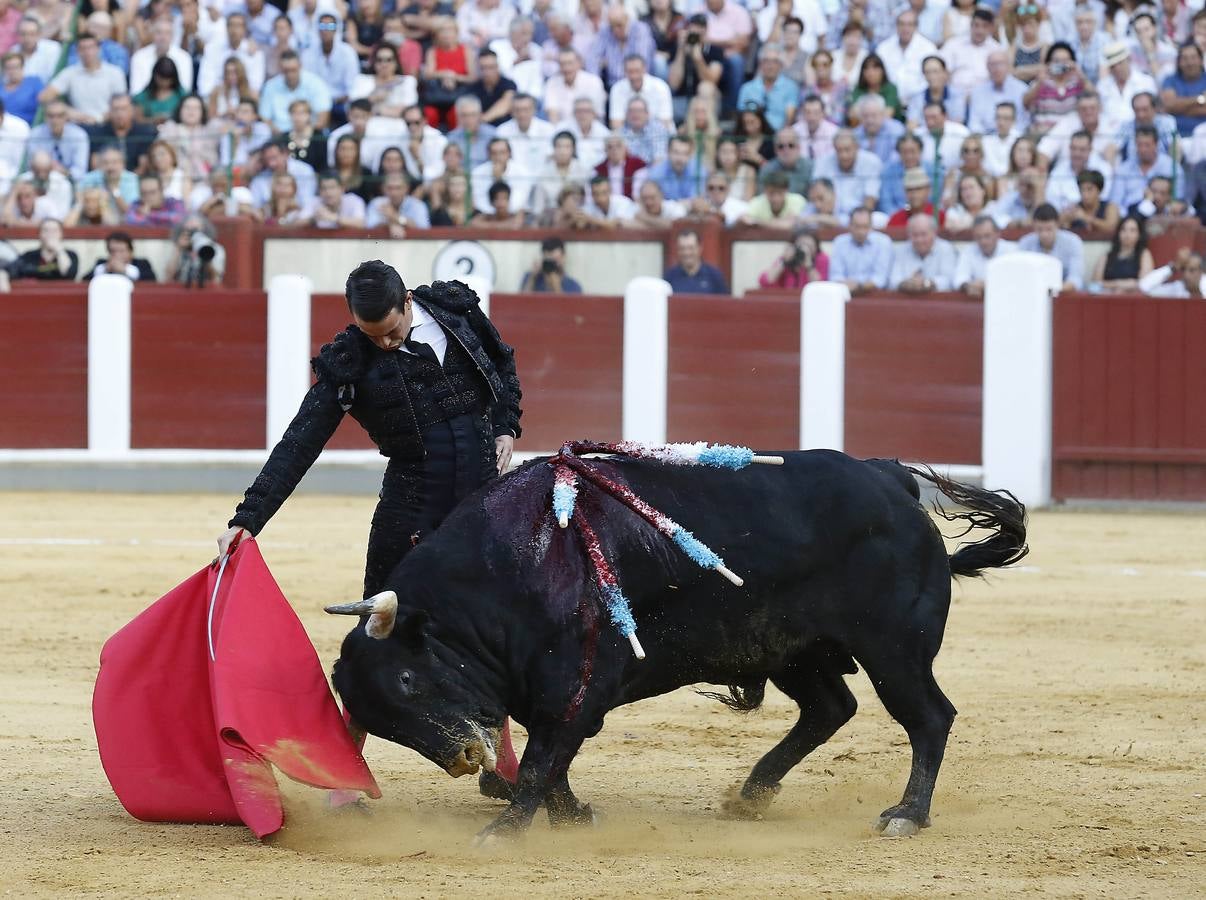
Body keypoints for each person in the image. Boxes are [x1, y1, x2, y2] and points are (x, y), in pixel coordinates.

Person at [216, 260, 524, 800]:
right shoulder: (350, 362)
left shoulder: (455, 312)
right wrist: (248, 519)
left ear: (408, 301)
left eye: (392, 332)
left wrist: (506, 426)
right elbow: (299, 443)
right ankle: (344, 778)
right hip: (411, 508)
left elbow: (502, 368)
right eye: (371, 335)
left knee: (485, 631)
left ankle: (503, 764)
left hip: (480, 506)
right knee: (377, 636)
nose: (384, 345)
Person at [37, 33, 125, 125]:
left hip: (108, 125)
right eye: (83, 48)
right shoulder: (70, 73)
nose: (87, 52)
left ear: (98, 49)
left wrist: (99, 119)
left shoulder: (115, 73)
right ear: (77, 51)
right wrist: (68, 111)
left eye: (90, 47)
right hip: (78, 126)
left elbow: (122, 103)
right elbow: (44, 96)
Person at [812, 128, 881, 221]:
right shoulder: (822, 162)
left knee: (880, 219)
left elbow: (870, 198)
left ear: (857, 147)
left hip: (859, 217)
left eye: (847, 150)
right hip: (829, 215)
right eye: (839, 150)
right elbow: (817, 194)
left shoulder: (871, 162)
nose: (843, 155)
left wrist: (858, 220)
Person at [259, 49, 333, 132]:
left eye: (293, 70)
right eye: (286, 71)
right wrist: (281, 136)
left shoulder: (316, 84)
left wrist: (303, 135)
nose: (290, 75)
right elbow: (264, 118)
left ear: (300, 66)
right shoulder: (270, 86)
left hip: (309, 136)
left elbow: (323, 119)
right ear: (280, 68)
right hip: (279, 136)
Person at [1018, 203, 1085, 292]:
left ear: (1057, 225)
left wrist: (1051, 290)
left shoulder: (1073, 242)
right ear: (1033, 225)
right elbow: (1020, 275)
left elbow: (1075, 279)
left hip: (1064, 294)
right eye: (1040, 229)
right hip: (1032, 293)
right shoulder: (1025, 243)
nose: (1044, 234)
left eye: (1049, 229)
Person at [829, 205, 892, 293]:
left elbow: (880, 279)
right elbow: (835, 276)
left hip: (874, 296)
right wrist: (848, 285)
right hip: (843, 293)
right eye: (857, 227)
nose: (861, 232)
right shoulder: (839, 242)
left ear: (871, 226)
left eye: (865, 227)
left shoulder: (883, 242)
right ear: (849, 225)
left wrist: (859, 286)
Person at [889, 213, 957, 292]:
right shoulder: (901, 250)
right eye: (915, 235)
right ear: (909, 235)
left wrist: (926, 283)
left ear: (934, 233)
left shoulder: (946, 248)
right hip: (907, 300)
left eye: (923, 234)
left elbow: (948, 281)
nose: (919, 240)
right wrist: (907, 284)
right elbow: (893, 281)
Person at [953, 215, 1016, 296]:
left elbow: (1014, 280)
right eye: (978, 237)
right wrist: (968, 286)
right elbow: (959, 278)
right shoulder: (968, 251)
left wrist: (989, 285)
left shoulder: (1011, 251)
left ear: (998, 234)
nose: (983, 241)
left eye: (987, 236)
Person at [26, 100, 88, 181]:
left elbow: (80, 172)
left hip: (69, 181)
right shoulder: (35, 134)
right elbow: (30, 166)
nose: (55, 120)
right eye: (51, 116)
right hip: (41, 178)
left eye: (60, 116)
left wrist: (62, 171)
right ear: (45, 117)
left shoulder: (79, 135)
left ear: (66, 117)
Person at [1091, 214, 1154, 292]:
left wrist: (1111, 284)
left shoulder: (1144, 254)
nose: (1127, 235)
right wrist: (1120, 284)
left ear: (1139, 234)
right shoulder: (1107, 256)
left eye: (1132, 230)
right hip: (1107, 297)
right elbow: (1095, 284)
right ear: (1118, 233)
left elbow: (1144, 283)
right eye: (1123, 230)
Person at [3, 217, 77, 284]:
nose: (50, 234)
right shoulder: (29, 256)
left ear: (61, 234)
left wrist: (59, 250)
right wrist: (2, 275)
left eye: (54, 231)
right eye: (46, 230)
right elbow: (10, 270)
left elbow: (69, 274)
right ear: (40, 234)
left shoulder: (71, 255)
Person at [757, 225, 828, 289]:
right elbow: (766, 282)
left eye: (809, 246)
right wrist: (784, 262)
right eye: (801, 245)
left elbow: (820, 287)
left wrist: (809, 266)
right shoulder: (788, 258)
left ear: (816, 247)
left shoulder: (821, 259)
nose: (805, 250)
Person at [164, 215, 225, 286]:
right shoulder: (176, 247)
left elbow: (215, 278)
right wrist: (178, 249)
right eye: (188, 230)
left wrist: (205, 254)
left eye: (195, 229)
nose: (192, 233)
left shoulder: (215, 248)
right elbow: (168, 277)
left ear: (204, 229)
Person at [663, 229, 728, 294]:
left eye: (691, 248)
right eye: (682, 248)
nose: (686, 253)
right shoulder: (670, 276)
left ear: (700, 248)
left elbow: (724, 302)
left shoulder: (714, 276)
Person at [366, 172, 431, 235]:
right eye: (390, 188)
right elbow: (369, 227)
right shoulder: (376, 203)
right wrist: (390, 225)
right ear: (383, 189)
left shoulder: (417, 205)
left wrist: (395, 217)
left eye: (398, 188)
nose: (394, 193)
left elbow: (424, 229)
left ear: (406, 188)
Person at [740, 169, 805, 228]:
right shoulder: (756, 202)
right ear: (764, 190)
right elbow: (745, 219)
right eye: (771, 193)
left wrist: (758, 222)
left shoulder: (797, 200)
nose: (776, 198)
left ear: (786, 190)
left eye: (780, 193)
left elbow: (788, 224)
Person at [85, 230, 157, 281]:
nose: (117, 255)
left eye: (121, 251)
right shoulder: (101, 263)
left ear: (131, 252)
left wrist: (126, 270)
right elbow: (85, 280)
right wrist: (104, 269)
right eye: (113, 251)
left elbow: (151, 280)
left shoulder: (142, 263)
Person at [1138, 246, 1205, 297]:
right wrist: (1173, 267)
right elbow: (1144, 286)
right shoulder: (1176, 288)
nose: (1186, 275)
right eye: (1183, 269)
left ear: (1201, 271)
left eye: (1192, 270)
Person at [0, 52, 43, 125]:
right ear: (4, 70)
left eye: (15, 67)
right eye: (8, 68)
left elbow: (44, 103)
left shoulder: (34, 82)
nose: (12, 71)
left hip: (28, 127)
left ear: (22, 67)